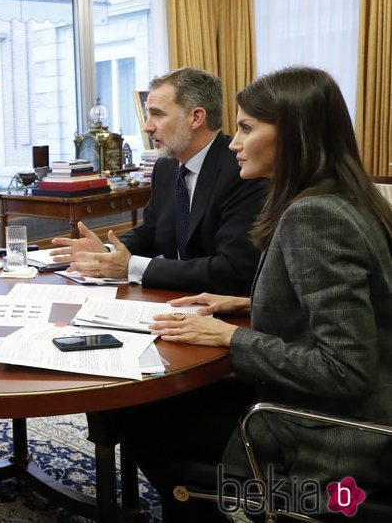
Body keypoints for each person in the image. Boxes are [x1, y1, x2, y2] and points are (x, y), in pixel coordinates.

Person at [120, 67, 392, 521]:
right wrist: (245, 304)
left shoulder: (315, 218)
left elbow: (345, 370)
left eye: (247, 128)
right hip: (333, 406)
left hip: (333, 431)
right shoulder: (348, 197)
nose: (232, 142)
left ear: (294, 135)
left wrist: (229, 338)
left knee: (146, 417)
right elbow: (355, 308)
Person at [50, 67, 266, 295]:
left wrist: (132, 266)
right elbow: (153, 232)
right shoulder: (166, 167)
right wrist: (107, 252)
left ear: (196, 117)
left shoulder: (242, 169)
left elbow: (234, 269)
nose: (147, 126)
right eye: (148, 114)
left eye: (158, 114)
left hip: (223, 306)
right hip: (173, 297)